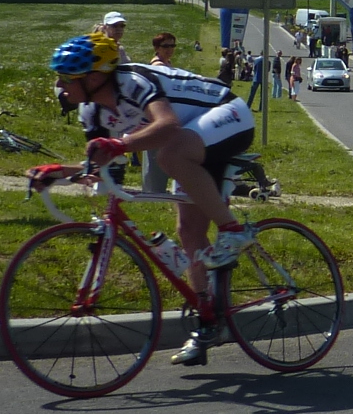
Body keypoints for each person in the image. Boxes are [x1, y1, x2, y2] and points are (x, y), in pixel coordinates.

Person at [50, 32, 257, 366]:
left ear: (93, 78)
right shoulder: (91, 111)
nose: (60, 86)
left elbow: (168, 126)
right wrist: (59, 173)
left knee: (169, 157)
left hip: (227, 114)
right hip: (193, 137)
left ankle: (234, 231)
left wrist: (120, 145)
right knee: (188, 230)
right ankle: (208, 318)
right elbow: (102, 166)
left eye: (66, 78)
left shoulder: (132, 82)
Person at [141, 31, 183, 195]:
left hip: (165, 113)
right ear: (157, 48)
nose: (170, 49)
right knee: (155, 155)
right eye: (166, 46)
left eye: (173, 45)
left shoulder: (167, 64)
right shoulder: (158, 66)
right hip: (157, 116)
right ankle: (153, 191)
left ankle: (154, 189)